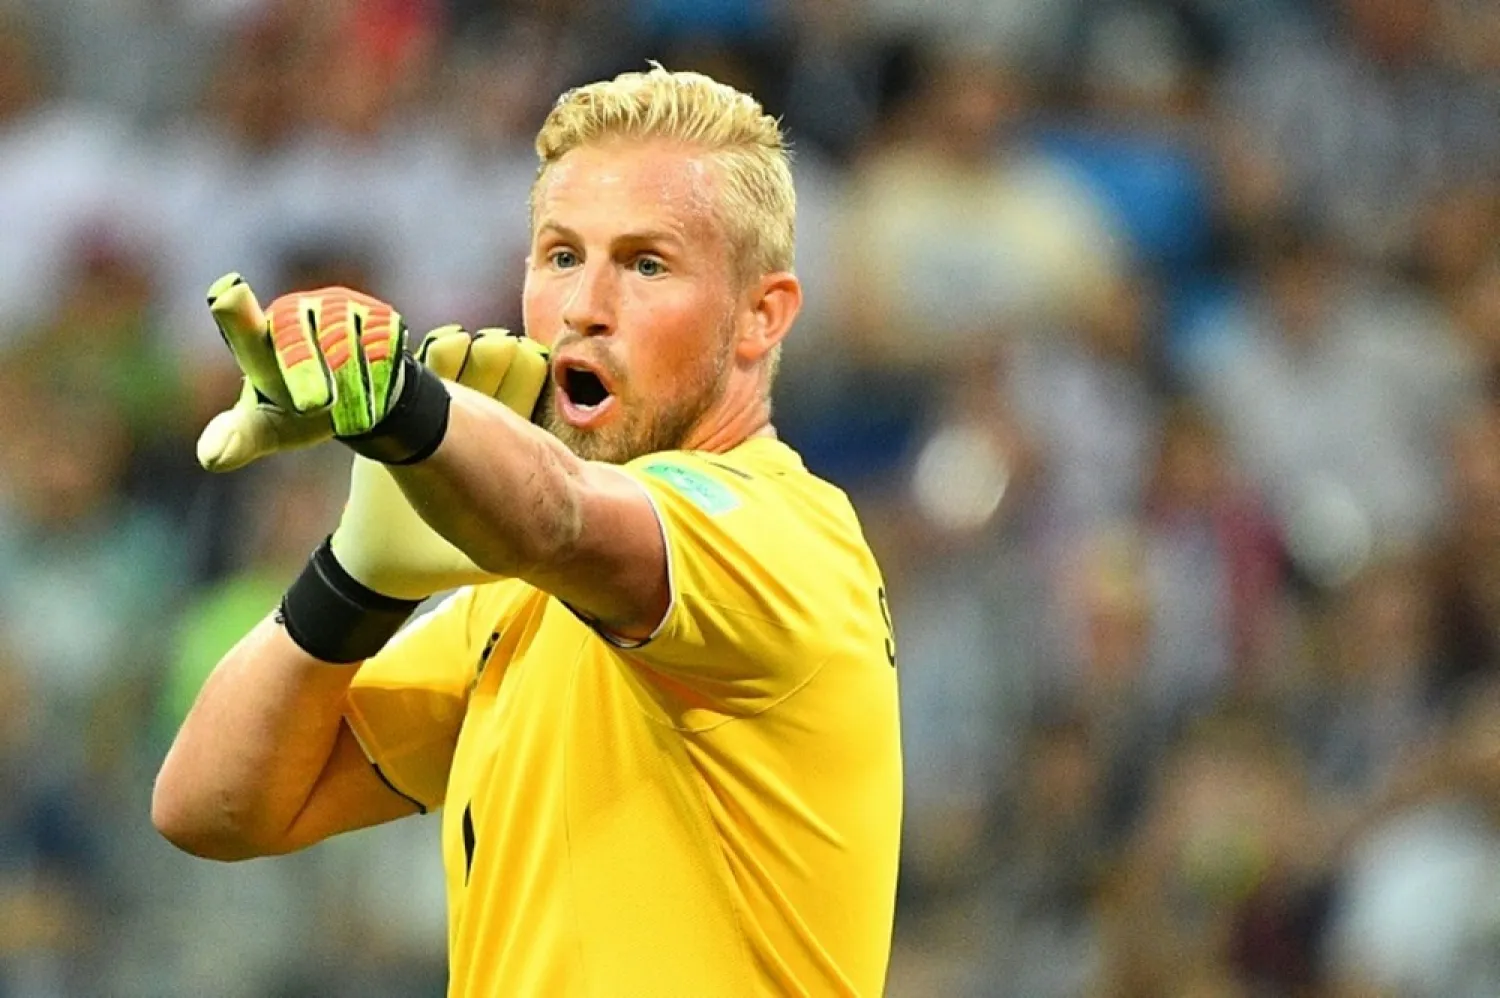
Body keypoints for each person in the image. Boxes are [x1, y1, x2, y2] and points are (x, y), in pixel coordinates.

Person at [151, 65, 904, 997]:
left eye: (646, 263)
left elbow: (566, 513)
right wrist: (359, 576)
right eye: (559, 256)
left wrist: (403, 407)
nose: (585, 305)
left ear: (761, 316)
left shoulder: (784, 536)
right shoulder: (518, 599)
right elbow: (213, 807)